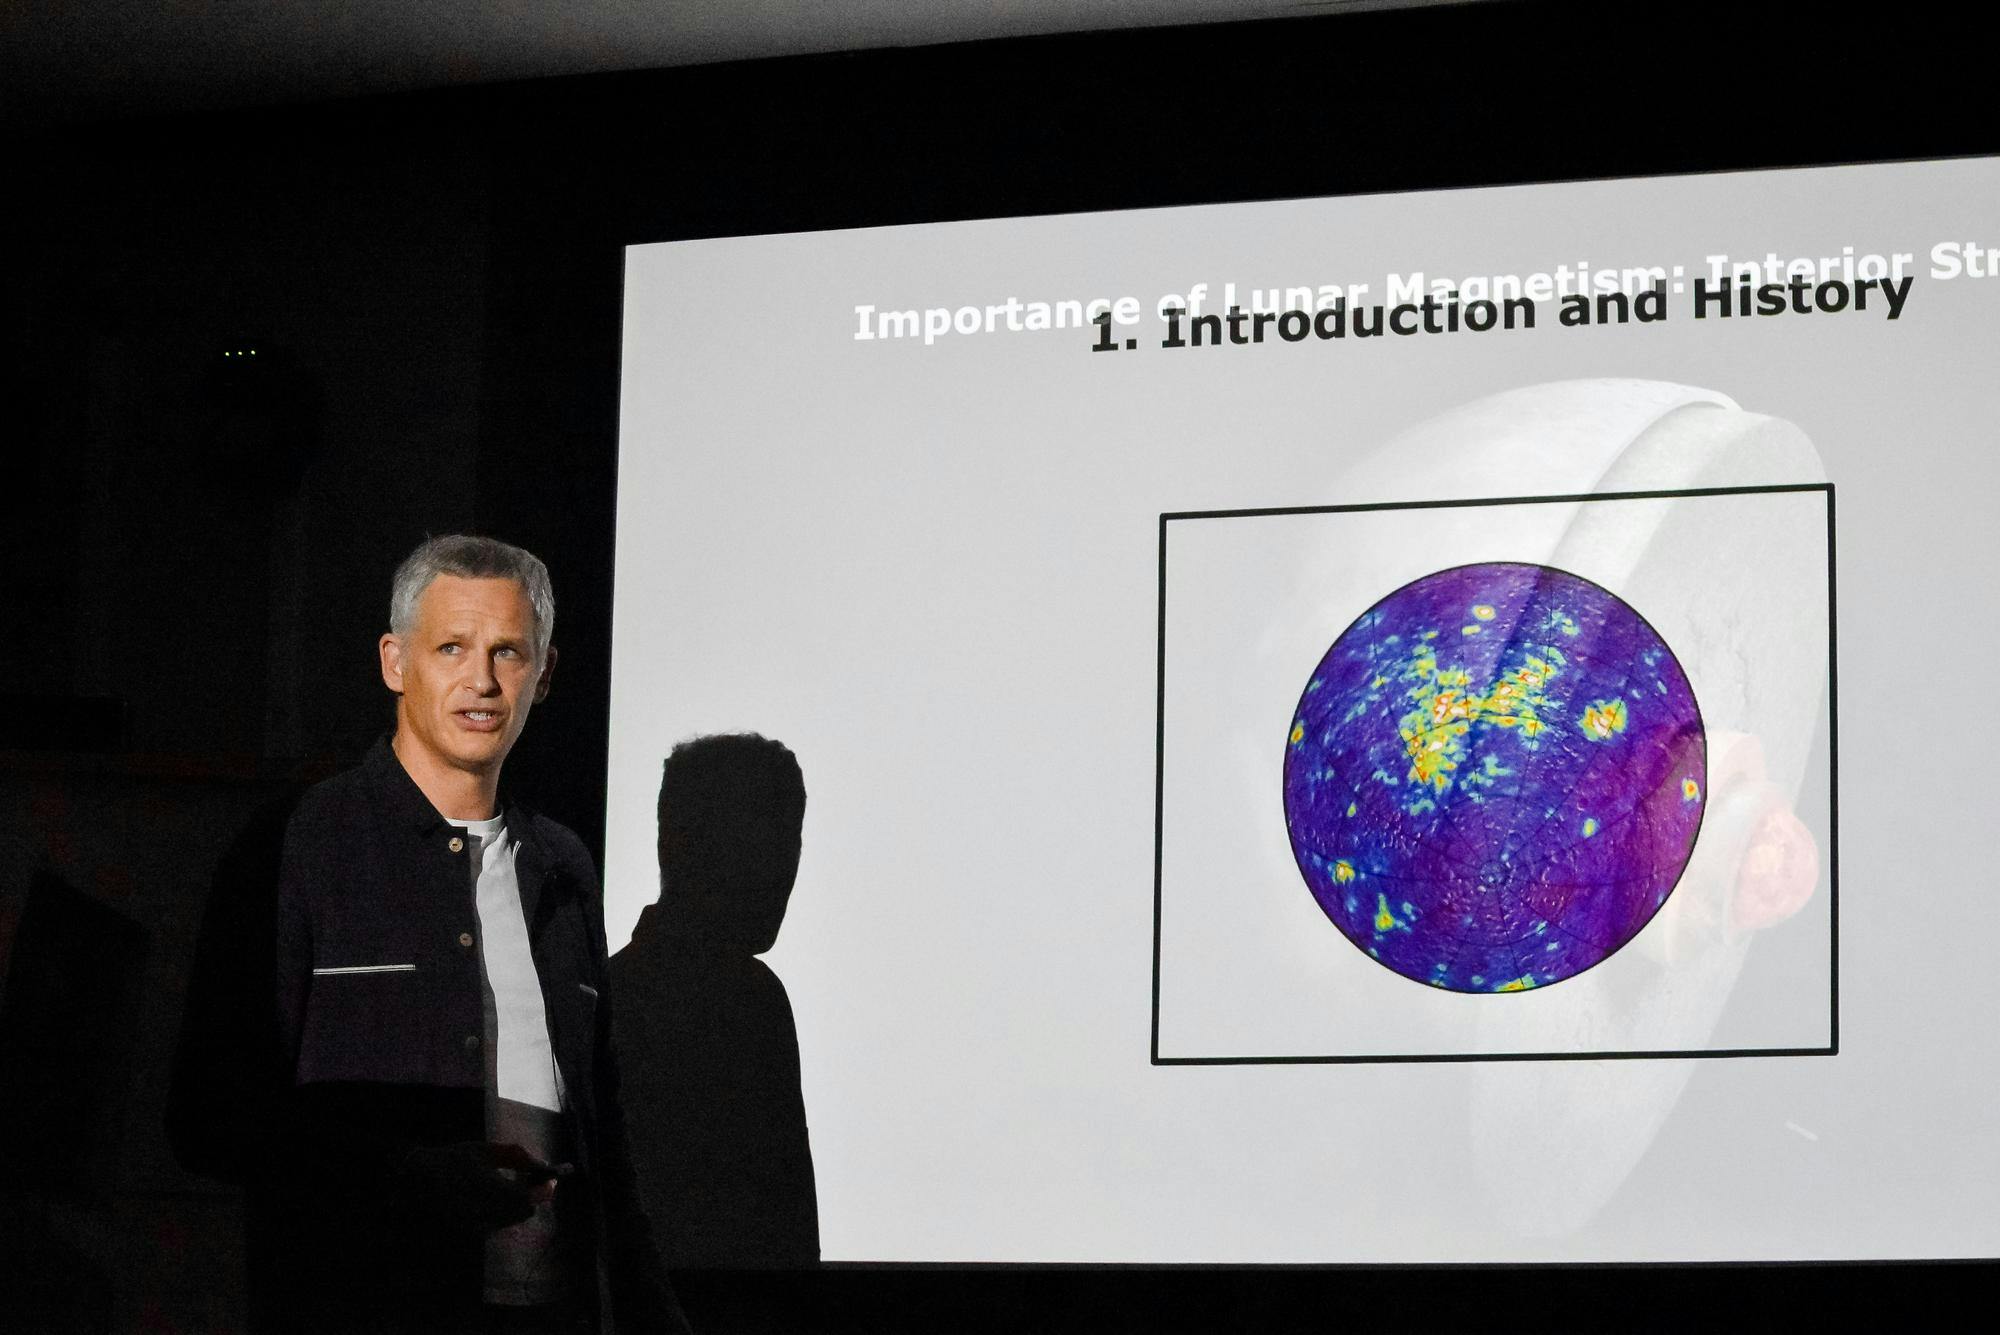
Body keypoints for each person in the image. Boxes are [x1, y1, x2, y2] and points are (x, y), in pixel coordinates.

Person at [175, 534, 688, 1334]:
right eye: (451, 647)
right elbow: (210, 1115)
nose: (481, 680)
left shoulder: (561, 865)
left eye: (508, 652)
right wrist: (405, 1174)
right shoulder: (298, 844)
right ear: (393, 661)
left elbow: (604, 1139)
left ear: (544, 674)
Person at [611, 734, 819, 1268]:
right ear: (681, 845)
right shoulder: (749, 1000)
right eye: (760, 841)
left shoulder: (614, 988)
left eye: (789, 841)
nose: (782, 869)